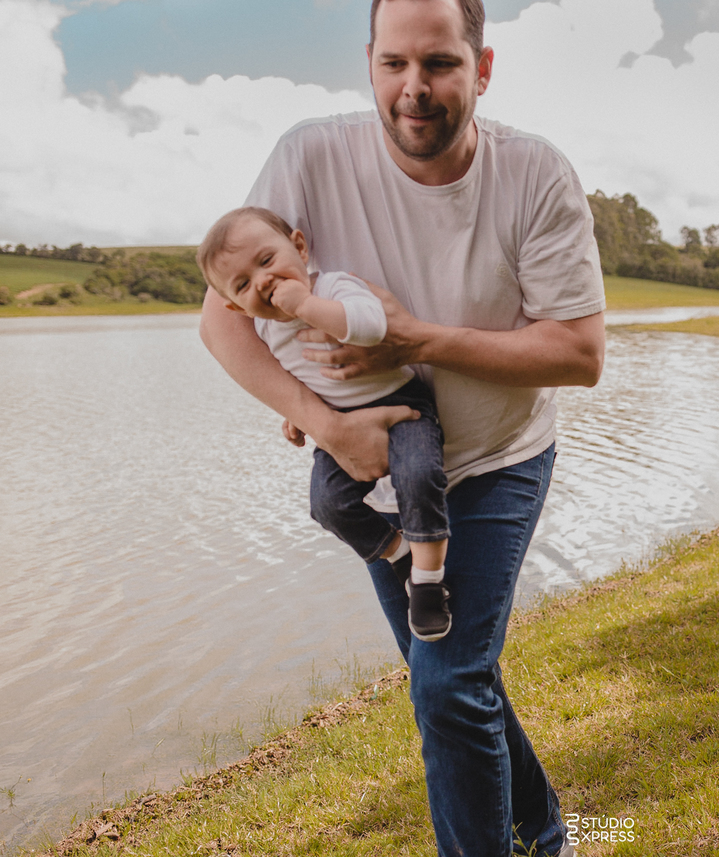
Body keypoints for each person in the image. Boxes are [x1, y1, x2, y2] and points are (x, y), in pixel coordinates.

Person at [198, 0, 605, 853]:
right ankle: (549, 831)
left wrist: (415, 336)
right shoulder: (308, 155)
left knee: (447, 678)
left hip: (499, 458)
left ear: (481, 69)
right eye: (394, 65)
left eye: (441, 64)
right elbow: (223, 319)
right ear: (370, 65)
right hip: (379, 474)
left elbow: (577, 352)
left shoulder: (536, 175)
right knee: (449, 674)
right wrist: (321, 421)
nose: (413, 89)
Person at [196, 206, 453, 641]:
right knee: (328, 504)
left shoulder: (333, 286)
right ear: (233, 305)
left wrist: (308, 305)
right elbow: (299, 373)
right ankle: (402, 555)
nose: (263, 281)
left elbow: (372, 326)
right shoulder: (266, 329)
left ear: (298, 246)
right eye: (243, 284)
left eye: (266, 261)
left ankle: (430, 583)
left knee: (419, 475)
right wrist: (296, 414)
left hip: (402, 405)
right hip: (341, 423)